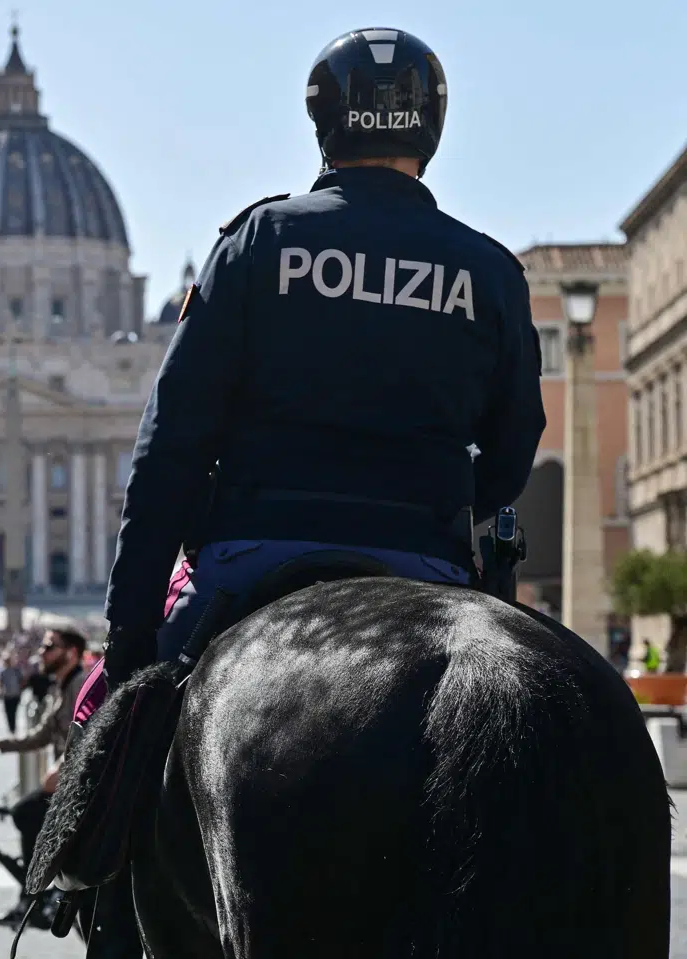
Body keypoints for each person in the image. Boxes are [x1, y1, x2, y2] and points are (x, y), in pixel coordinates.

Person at [78, 28, 547, 958]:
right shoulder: (487, 268)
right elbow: (513, 453)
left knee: (125, 747)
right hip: (426, 555)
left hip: (257, 546)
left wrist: (129, 633)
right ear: (434, 127)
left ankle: (90, 898)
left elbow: (168, 448)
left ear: (322, 121)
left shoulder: (261, 241)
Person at [0, 630, 88, 928]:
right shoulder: (61, 686)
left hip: (77, 785)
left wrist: (63, 767)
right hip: (64, 781)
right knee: (27, 814)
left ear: (71, 653)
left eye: (49, 647)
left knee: (26, 812)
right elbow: (42, 735)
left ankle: (40, 891)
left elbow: (86, 734)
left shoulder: (80, 686)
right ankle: (34, 892)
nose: (41, 653)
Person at [0, 655, 24, 734]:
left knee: (14, 712)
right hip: (7, 695)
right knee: (8, 712)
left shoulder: (17, 671)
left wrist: (20, 692)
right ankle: (11, 728)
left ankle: (13, 728)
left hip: (15, 695)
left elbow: (21, 682)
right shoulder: (3, 672)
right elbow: (0, 684)